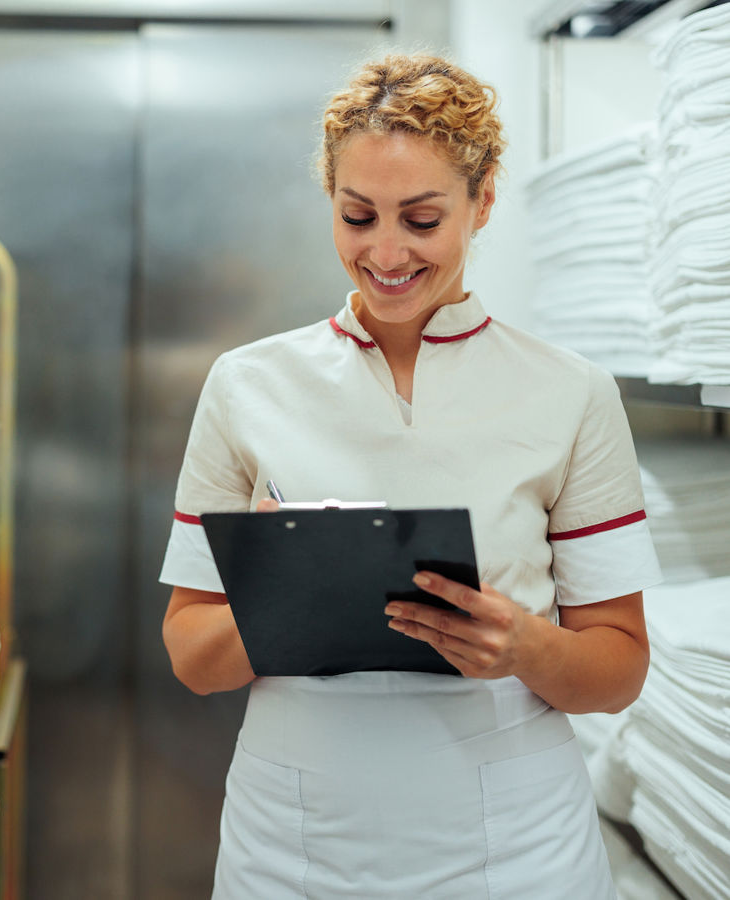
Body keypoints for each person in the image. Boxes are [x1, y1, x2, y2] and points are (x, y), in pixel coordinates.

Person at [160, 53, 662, 899]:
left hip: (515, 844)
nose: (384, 252)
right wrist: (292, 600)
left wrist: (523, 645)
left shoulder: (569, 392)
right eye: (358, 216)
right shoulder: (247, 384)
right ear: (330, 201)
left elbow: (618, 670)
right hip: (294, 840)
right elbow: (191, 654)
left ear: (483, 201)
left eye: (421, 220)